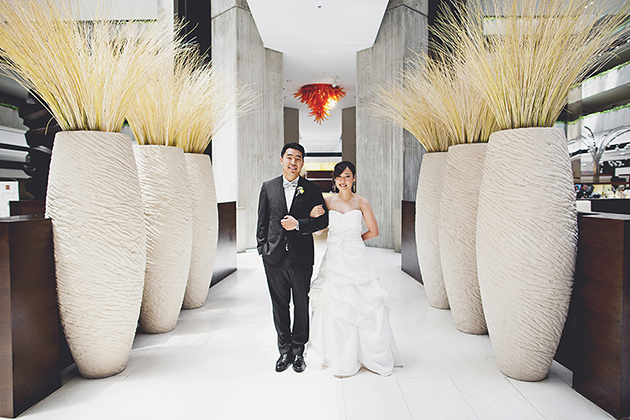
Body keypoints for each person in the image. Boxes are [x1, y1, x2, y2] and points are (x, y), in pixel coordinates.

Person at [306, 161, 403, 377]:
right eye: (339, 177)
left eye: (347, 176)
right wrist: (313, 216)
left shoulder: (362, 202)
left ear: (354, 178)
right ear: (334, 179)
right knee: (333, 300)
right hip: (334, 258)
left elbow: (374, 231)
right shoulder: (327, 201)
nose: (343, 181)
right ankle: (335, 354)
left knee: (362, 301)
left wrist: (353, 241)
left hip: (356, 258)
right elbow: (319, 230)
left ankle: (368, 354)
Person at [257, 142, 329, 373]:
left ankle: (298, 350)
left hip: (301, 257)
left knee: (300, 303)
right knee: (279, 305)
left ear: (302, 163)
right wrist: (263, 249)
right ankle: (284, 350)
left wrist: (300, 224)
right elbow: (262, 222)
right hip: (274, 258)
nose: (293, 162)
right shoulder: (268, 187)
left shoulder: (312, 189)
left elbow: (322, 221)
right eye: (289, 157)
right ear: (281, 160)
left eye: (298, 158)